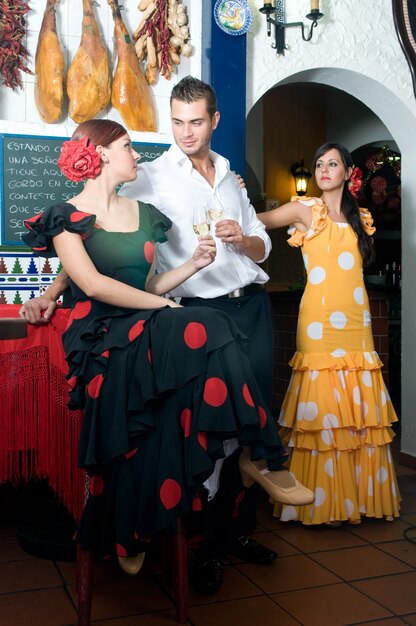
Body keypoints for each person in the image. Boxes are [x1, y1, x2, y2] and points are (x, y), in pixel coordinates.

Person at [21, 76, 314, 593]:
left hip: (238, 307)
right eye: (176, 121)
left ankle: (236, 525)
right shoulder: (148, 177)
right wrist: (53, 289)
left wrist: (238, 242)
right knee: (201, 424)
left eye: (195, 121)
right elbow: (91, 249)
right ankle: (199, 537)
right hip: (185, 314)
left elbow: (259, 248)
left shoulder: (230, 175)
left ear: (215, 120)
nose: (183, 132)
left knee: (240, 412)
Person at [257, 142, 401, 526]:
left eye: (331, 164)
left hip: (357, 321)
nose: (323, 169)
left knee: (359, 415)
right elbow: (259, 221)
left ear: (347, 172)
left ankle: (356, 501)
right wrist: (233, 197)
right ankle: (319, 504)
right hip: (318, 322)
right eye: (319, 164)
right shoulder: (305, 209)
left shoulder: (362, 218)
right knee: (321, 411)